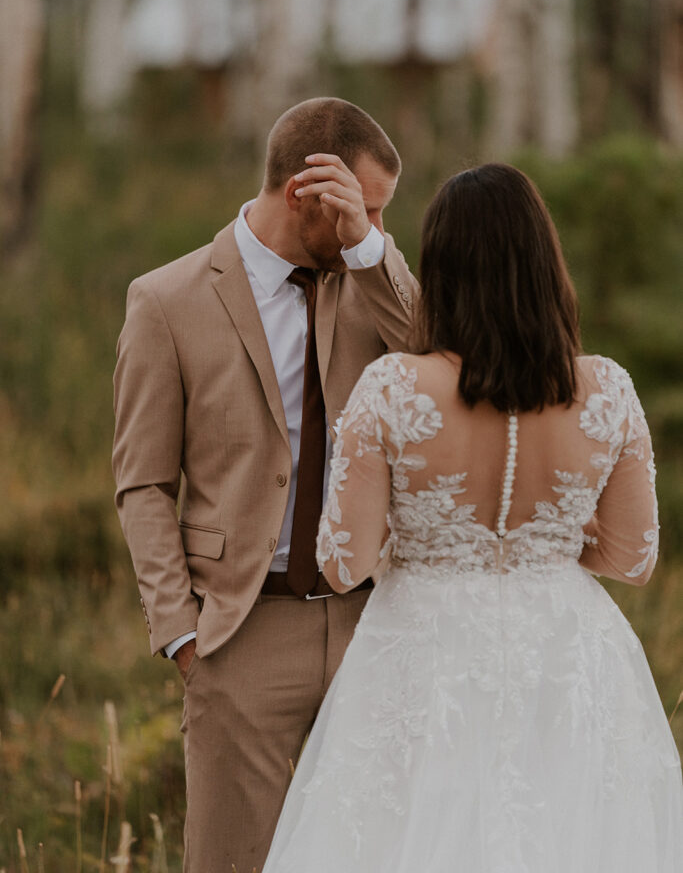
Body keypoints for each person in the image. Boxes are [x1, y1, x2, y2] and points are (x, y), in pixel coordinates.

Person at [262, 163, 683, 873]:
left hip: (423, 649)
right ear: (546, 265)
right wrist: (543, 540)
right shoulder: (605, 388)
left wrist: (424, 534)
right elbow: (631, 559)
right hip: (565, 649)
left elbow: (344, 564)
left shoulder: (393, 387)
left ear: (442, 268)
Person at [112, 97, 419, 873]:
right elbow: (143, 483)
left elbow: (438, 361)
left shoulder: (369, 276)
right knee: (230, 860)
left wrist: (369, 249)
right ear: (302, 195)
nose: (372, 226)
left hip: (371, 623)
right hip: (240, 632)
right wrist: (182, 632)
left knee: (380, 855)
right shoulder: (166, 300)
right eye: (364, 208)